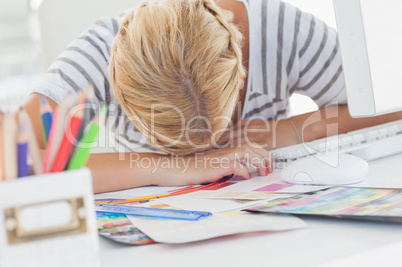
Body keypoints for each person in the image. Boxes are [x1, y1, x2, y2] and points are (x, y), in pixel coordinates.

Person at [22, 0, 402, 193]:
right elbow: (13, 157)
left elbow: (392, 103)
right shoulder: (101, 52)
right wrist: (163, 166)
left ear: (239, 61)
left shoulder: (281, 31)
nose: (205, 152)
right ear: (116, 83)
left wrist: (285, 131)